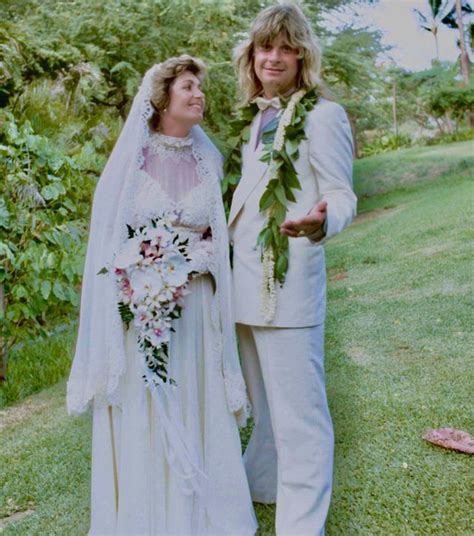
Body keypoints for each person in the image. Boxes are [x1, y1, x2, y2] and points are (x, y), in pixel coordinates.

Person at [67, 55, 257, 535]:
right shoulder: (131, 162)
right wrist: (138, 274)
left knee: (196, 393)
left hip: (196, 309)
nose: (199, 96)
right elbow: (108, 242)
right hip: (143, 309)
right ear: (162, 98)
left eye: (201, 89)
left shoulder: (207, 158)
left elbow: (220, 235)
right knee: (149, 399)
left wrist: (197, 260)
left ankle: (208, 513)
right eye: (189, 88)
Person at [227, 4, 357, 535]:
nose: (273, 57)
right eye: (264, 48)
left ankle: (302, 527)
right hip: (243, 290)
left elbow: (342, 192)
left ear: (302, 54)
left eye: (285, 47)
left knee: (301, 419)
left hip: (289, 286)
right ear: (252, 56)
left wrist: (322, 222)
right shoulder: (255, 118)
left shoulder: (323, 115)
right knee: (264, 406)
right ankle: (263, 488)